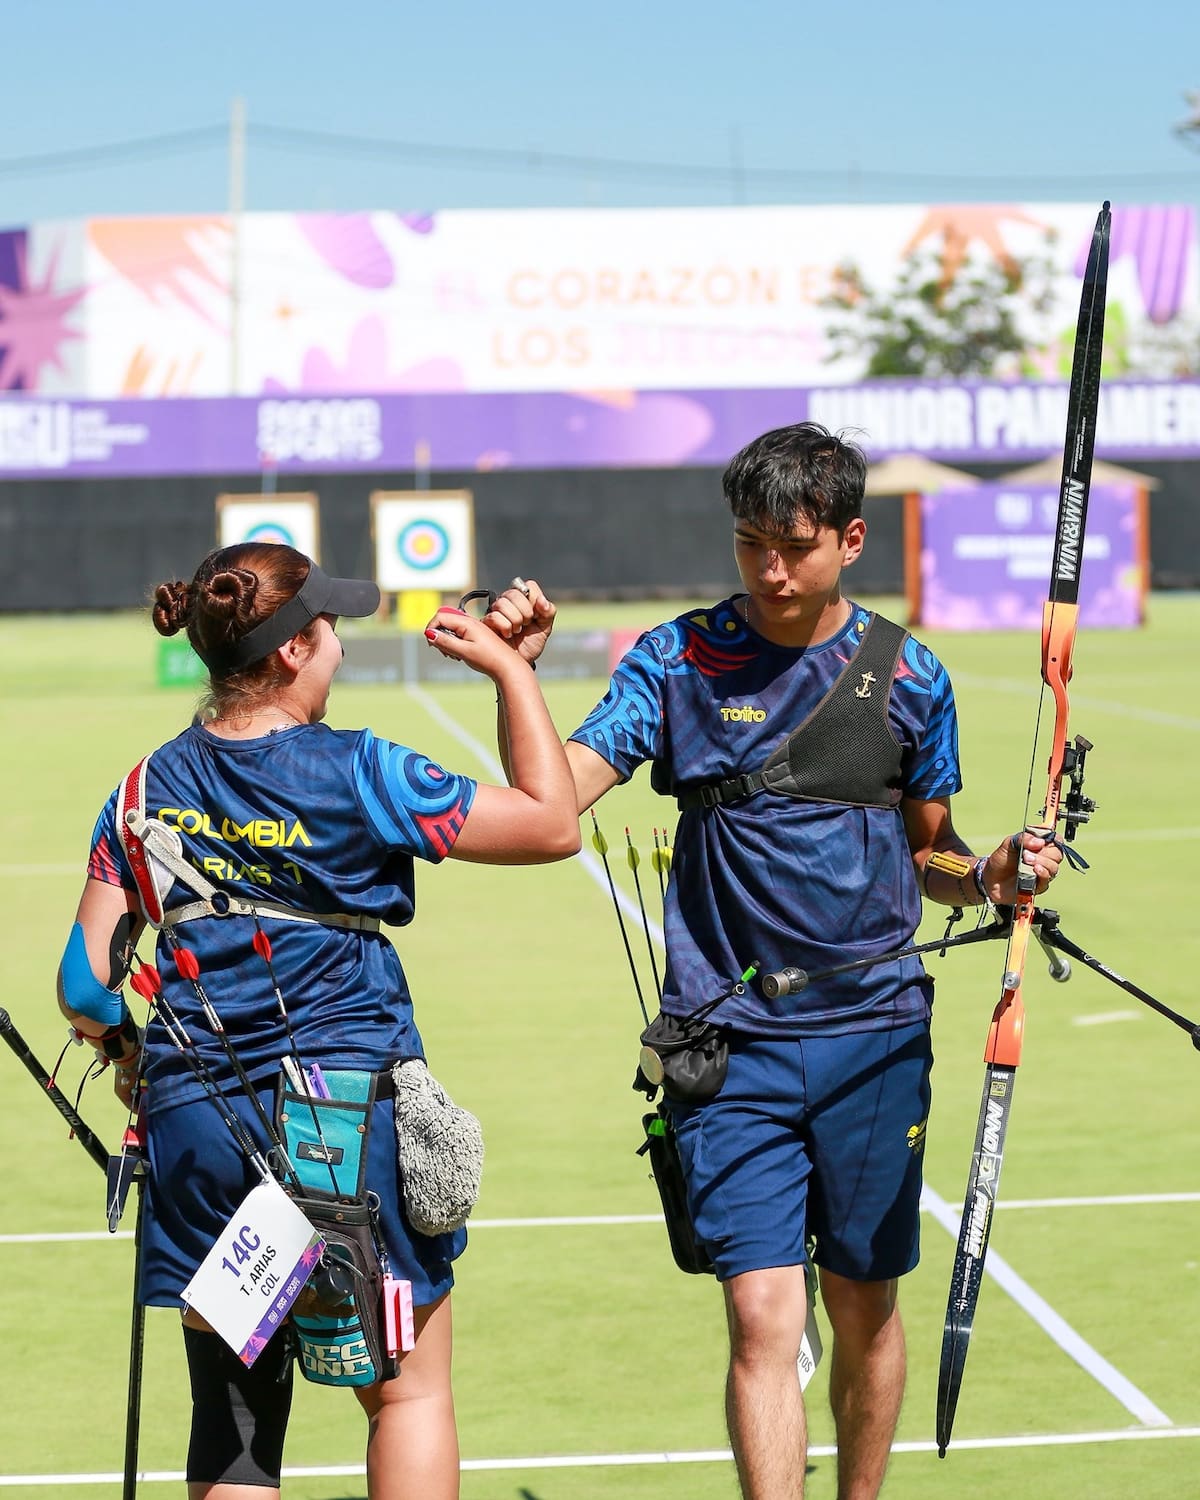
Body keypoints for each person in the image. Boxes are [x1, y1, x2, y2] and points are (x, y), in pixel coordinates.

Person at [481, 422, 1064, 1500]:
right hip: (726, 1042)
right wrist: (517, 674)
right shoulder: (676, 660)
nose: (770, 570)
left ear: (851, 540)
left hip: (873, 1038)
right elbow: (552, 800)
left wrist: (991, 873)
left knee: (864, 1303)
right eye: (751, 544)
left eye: (794, 547)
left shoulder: (909, 674)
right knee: (761, 1313)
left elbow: (932, 853)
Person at [56, 542, 580, 1500]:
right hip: (343, 1123)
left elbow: (83, 986)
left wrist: (128, 1052)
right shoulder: (363, 768)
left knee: (236, 1416)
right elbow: (552, 823)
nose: (339, 642)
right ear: (294, 650)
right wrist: (512, 671)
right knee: (405, 1398)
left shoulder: (139, 791)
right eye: (330, 626)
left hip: (200, 1127)